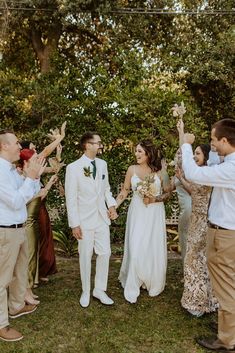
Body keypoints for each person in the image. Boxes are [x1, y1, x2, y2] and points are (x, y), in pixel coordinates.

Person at [181, 119, 235, 352]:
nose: (211, 144)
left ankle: (227, 340)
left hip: (225, 236)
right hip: (223, 232)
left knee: (226, 289)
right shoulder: (226, 162)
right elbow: (212, 160)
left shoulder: (231, 168)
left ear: (225, 140)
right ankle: (228, 329)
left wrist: (185, 144)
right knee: (227, 285)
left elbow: (194, 174)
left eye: (214, 140)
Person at [0, 129, 45, 342]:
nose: (21, 147)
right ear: (3, 146)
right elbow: (17, 201)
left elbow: (29, 193)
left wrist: (32, 177)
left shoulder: (10, 170)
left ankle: (16, 306)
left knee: (19, 271)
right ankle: (1, 324)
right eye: (17, 143)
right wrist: (30, 178)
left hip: (18, 228)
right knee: (2, 279)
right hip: (5, 231)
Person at [65, 131, 118, 308]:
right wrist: (75, 224)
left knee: (105, 253)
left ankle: (99, 290)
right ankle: (86, 291)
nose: (100, 145)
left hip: (101, 218)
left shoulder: (103, 165)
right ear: (87, 145)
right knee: (85, 256)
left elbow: (106, 190)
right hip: (84, 220)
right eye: (97, 143)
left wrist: (111, 205)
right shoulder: (73, 168)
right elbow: (71, 199)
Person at [116, 140, 170, 304]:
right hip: (137, 211)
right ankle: (134, 278)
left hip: (154, 212)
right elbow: (125, 191)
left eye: (140, 151)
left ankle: (150, 279)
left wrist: (154, 198)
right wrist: (114, 206)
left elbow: (168, 193)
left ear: (149, 153)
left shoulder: (161, 172)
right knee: (136, 243)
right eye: (136, 151)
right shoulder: (131, 169)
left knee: (151, 244)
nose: (137, 154)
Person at [21, 122, 66, 282]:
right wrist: (60, 138)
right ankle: (31, 277)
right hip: (30, 208)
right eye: (32, 149)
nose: (35, 151)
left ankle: (39, 272)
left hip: (40, 204)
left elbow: (53, 169)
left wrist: (59, 154)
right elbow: (46, 152)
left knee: (43, 238)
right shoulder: (25, 166)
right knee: (33, 242)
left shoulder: (35, 165)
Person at [18, 149, 58, 305]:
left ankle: (29, 289)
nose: (39, 160)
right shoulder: (21, 178)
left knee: (33, 255)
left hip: (33, 222)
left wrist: (48, 184)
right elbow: (23, 200)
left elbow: (40, 196)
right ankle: (25, 291)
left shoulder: (32, 178)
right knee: (27, 258)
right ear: (26, 162)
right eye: (35, 159)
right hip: (26, 222)